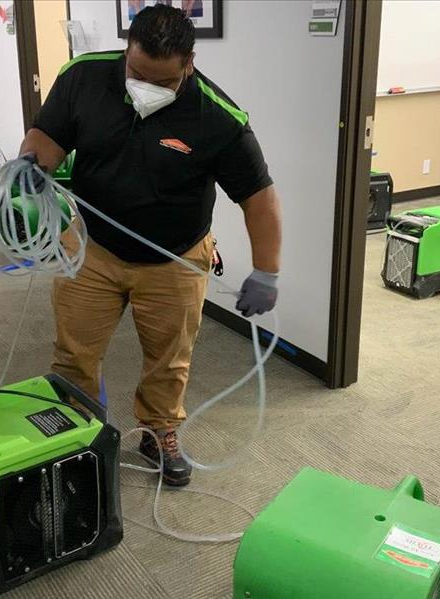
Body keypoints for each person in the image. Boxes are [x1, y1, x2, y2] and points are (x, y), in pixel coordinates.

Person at [19, 4, 282, 486]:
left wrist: (267, 270)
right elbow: (46, 138)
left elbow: (259, 199)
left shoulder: (217, 117)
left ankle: (159, 431)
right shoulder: (84, 77)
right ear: (127, 51)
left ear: (189, 64)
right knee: (74, 351)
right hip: (90, 248)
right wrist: (32, 169)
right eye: (137, 73)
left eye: (162, 82)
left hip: (175, 258)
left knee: (168, 358)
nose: (145, 87)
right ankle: (79, 436)